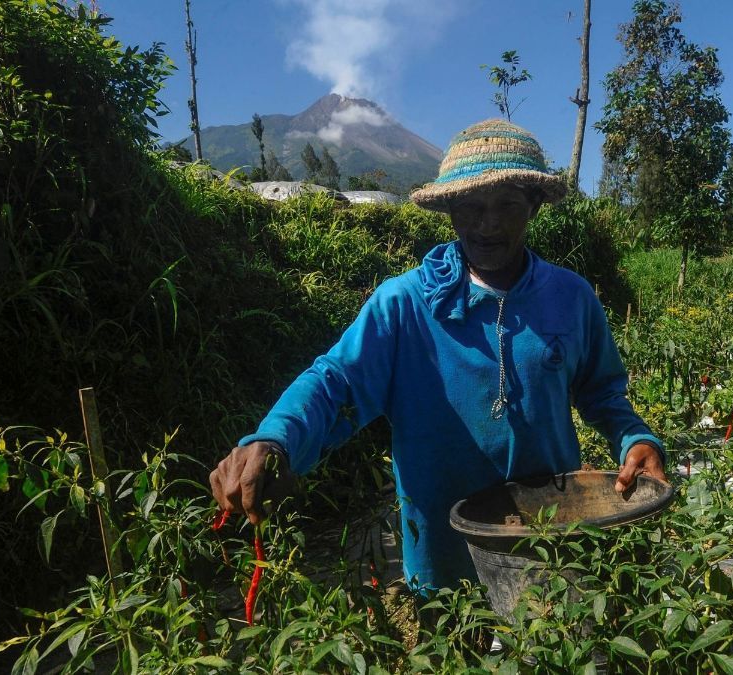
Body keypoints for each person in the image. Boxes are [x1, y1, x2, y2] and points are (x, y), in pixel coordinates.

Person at [209, 119, 667, 593]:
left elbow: (602, 392)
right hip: (442, 548)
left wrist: (635, 437)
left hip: (549, 536)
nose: (488, 224)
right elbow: (336, 381)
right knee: (454, 647)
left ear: (533, 206)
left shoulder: (571, 298)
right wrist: (275, 440)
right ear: (450, 209)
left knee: (547, 648)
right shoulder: (405, 304)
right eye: (471, 206)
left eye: (508, 205)